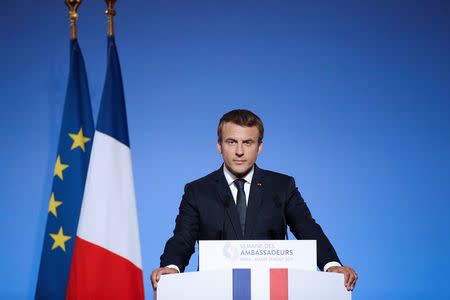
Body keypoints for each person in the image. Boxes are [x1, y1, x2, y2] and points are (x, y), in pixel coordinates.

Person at [151, 109, 357, 291]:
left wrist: (332, 265)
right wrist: (171, 268)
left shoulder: (282, 186)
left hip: (270, 289)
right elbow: (182, 239)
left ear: (259, 147)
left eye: (247, 142)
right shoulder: (197, 191)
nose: (239, 151)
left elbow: (307, 229)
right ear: (219, 145)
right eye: (231, 141)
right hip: (214, 290)